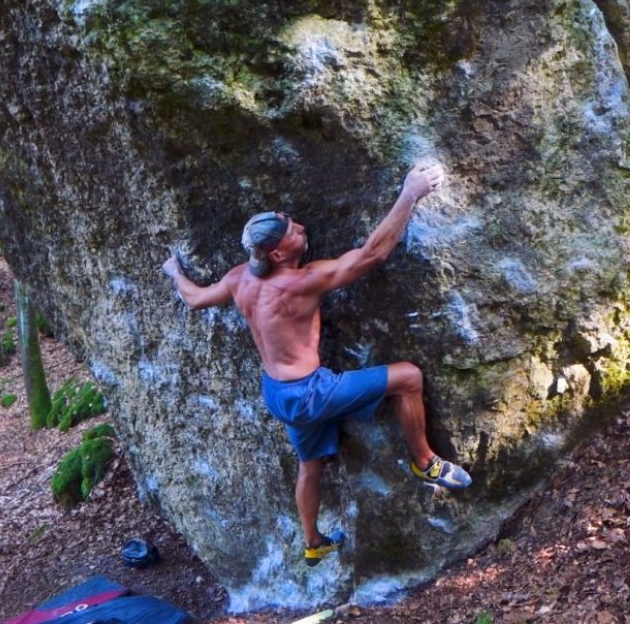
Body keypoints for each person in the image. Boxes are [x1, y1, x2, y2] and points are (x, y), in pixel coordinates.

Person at [162, 162, 471, 567]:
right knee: (408, 378)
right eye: (293, 231)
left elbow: (195, 298)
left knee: (310, 466)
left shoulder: (240, 278)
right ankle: (426, 463)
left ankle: (313, 543)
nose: (302, 227)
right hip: (310, 393)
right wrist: (410, 193)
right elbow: (373, 254)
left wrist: (174, 273)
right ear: (276, 253)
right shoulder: (301, 281)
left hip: (278, 393)